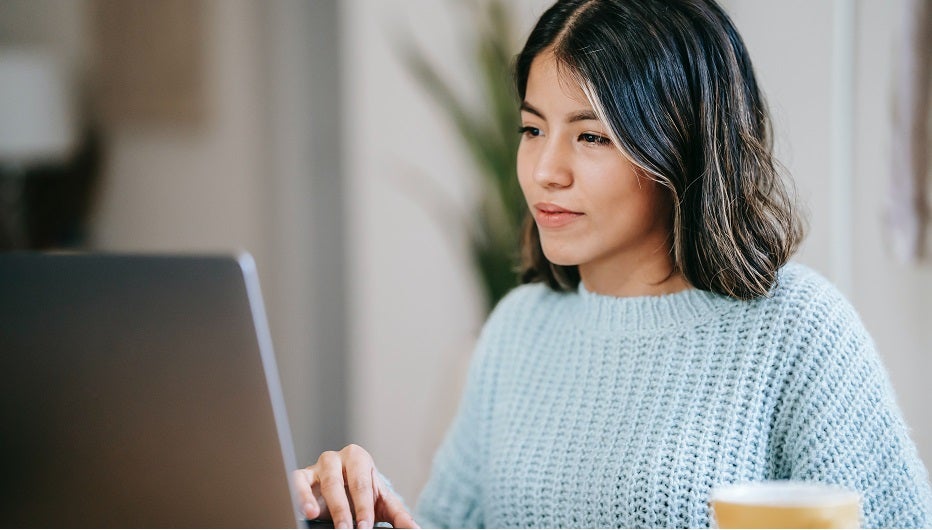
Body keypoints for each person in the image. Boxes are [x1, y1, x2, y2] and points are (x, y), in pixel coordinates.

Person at [294, 0, 932, 527]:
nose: (546, 171)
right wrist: (361, 511)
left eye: (591, 136)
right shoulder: (519, 329)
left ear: (679, 145)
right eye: (532, 129)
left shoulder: (797, 329)